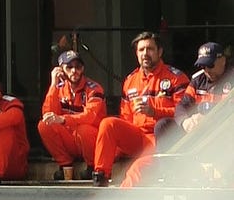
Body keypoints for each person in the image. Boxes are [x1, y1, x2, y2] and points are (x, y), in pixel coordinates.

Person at [120, 42, 234, 188]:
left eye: (210, 65)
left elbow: (228, 111)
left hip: (222, 135)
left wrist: (207, 117)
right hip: (197, 133)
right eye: (202, 66)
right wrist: (185, 121)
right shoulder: (198, 79)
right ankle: (171, 175)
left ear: (222, 60)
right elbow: (181, 107)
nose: (206, 70)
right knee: (163, 125)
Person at [92, 31, 189, 187]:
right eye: (141, 50)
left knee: (136, 171)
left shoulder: (176, 78)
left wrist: (155, 111)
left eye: (150, 49)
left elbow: (184, 114)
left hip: (162, 140)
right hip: (138, 136)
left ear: (160, 52)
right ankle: (100, 177)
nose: (145, 53)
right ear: (136, 54)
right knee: (108, 123)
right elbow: (125, 117)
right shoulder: (130, 80)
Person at [37, 50, 106, 180]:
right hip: (71, 140)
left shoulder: (94, 88)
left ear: (83, 68)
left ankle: (92, 167)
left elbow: (89, 116)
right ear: (61, 69)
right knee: (44, 125)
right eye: (69, 67)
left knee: (83, 129)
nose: (74, 71)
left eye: (78, 67)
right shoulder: (59, 87)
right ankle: (65, 166)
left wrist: (63, 119)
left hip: (91, 140)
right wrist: (53, 85)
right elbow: (47, 114)